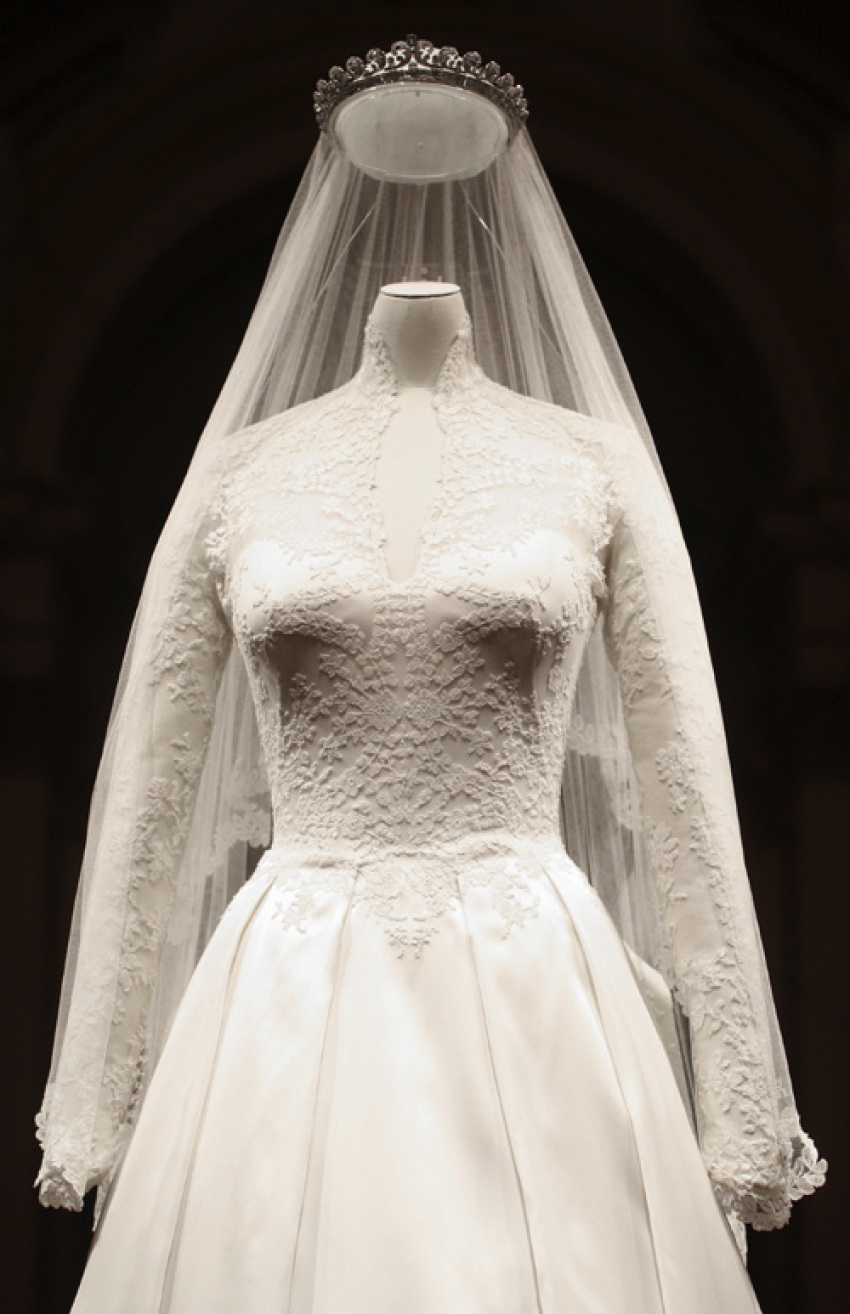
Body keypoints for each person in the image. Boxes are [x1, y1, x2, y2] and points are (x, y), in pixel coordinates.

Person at [35, 37, 824, 1313]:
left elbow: (686, 782)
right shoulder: (246, 471)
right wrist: (98, 1094)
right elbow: (148, 792)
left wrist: (740, 1104)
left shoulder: (589, 464)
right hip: (292, 970)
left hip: (531, 966)